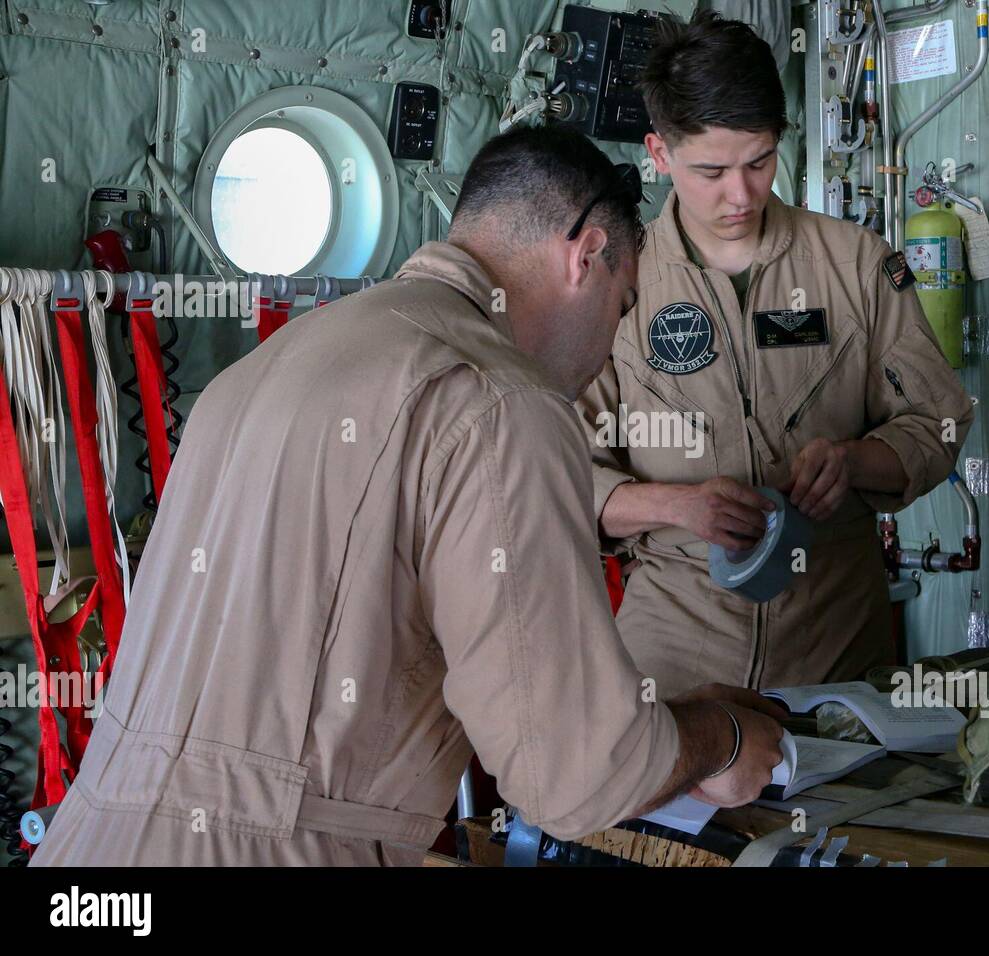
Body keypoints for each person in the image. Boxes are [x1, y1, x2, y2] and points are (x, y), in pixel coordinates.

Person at [32, 125, 784, 867]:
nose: (605, 353)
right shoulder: (500, 401)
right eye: (621, 309)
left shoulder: (256, 374)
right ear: (585, 255)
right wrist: (720, 736)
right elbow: (575, 775)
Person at [578, 13, 975, 699]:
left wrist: (855, 463)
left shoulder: (856, 265)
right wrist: (674, 505)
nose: (740, 195)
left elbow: (935, 423)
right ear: (659, 153)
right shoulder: (614, 279)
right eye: (711, 170)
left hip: (836, 640)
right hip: (673, 650)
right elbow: (558, 471)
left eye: (759, 162)